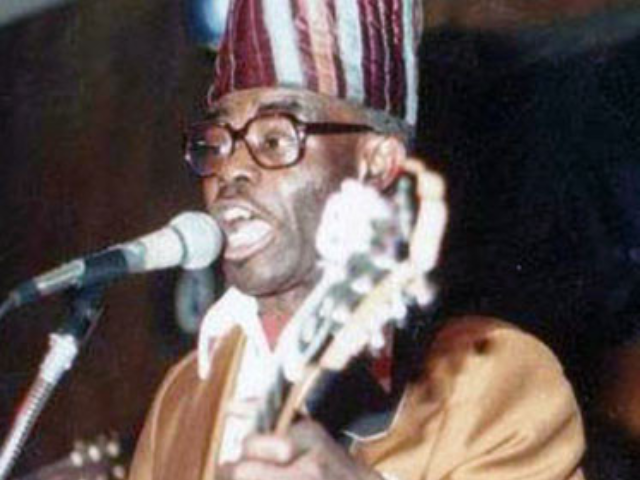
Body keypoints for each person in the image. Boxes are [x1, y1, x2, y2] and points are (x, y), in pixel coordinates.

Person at [128, 1, 585, 479]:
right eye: (218, 141)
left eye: (276, 138)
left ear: (378, 163)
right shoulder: (184, 396)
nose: (230, 169)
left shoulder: (489, 377)